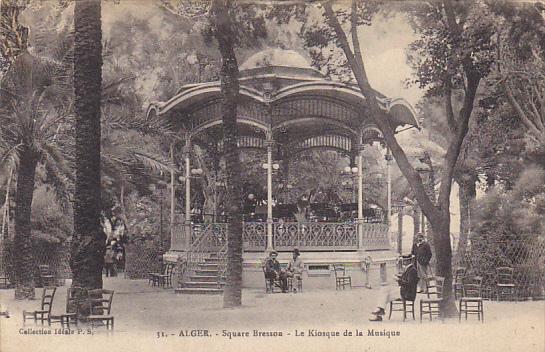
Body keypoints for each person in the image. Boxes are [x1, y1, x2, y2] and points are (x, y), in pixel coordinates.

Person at [369, 255, 418, 321]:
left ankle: (380, 312)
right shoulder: (409, 269)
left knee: (385, 292)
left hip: (407, 293)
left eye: (405, 261)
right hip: (404, 291)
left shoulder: (412, 270)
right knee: (385, 293)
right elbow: (406, 281)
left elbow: (409, 284)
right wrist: (399, 278)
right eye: (404, 261)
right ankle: (380, 312)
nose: (403, 262)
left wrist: (398, 280)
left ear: (409, 261)